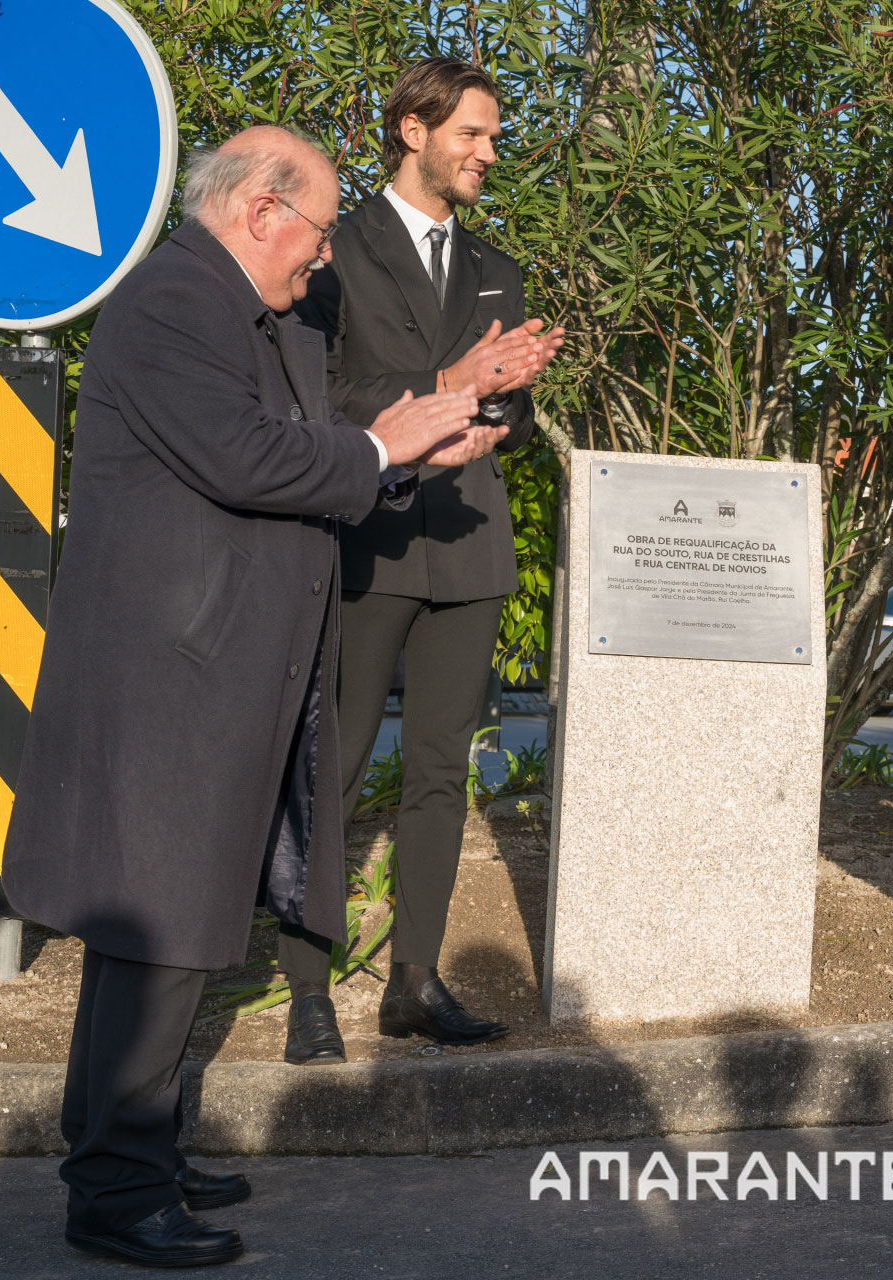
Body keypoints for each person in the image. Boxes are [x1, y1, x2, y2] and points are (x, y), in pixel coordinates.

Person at [1, 125, 502, 1268]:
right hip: (174, 675)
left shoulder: (243, 311)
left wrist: (411, 456)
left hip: (212, 667)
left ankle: (132, 1147)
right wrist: (385, 443)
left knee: (166, 930)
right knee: (162, 929)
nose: (322, 260)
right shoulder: (174, 300)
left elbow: (304, 458)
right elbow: (247, 458)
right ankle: (118, 1190)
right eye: (321, 235)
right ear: (261, 211)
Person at [282, 57, 565, 1061]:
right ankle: (308, 988)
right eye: (473, 135)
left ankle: (414, 980)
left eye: (492, 136)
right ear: (411, 129)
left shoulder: (496, 264)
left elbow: (513, 406)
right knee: (338, 765)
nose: (490, 152)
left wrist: (502, 418)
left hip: (470, 542)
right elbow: (323, 391)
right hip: (371, 533)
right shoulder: (335, 251)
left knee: (443, 773)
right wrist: (449, 381)